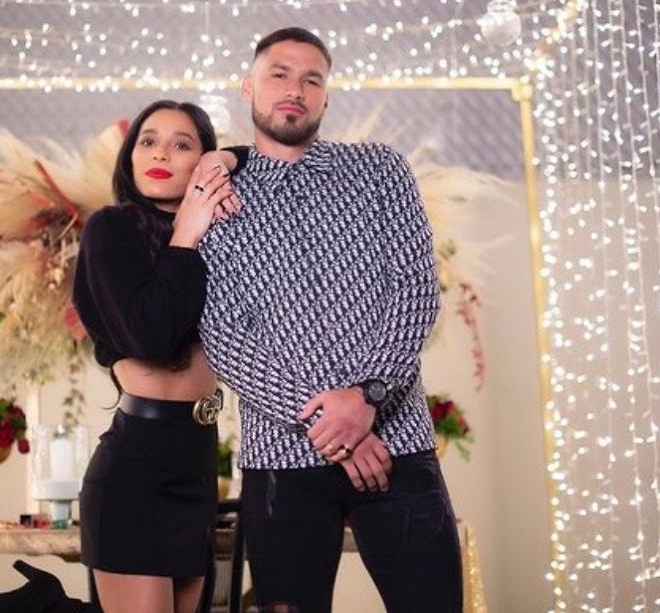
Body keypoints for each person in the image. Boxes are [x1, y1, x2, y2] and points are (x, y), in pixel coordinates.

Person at [197, 27, 463, 612]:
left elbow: (416, 291)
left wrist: (367, 398)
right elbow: (223, 334)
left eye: (311, 79)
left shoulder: (380, 170)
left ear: (326, 96)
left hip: (397, 444)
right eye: (279, 74)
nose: (295, 89)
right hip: (280, 459)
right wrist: (333, 426)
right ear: (248, 87)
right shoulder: (215, 193)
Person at [72, 99, 242, 613]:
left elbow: (273, 160)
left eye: (182, 144)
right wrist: (186, 230)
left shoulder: (223, 235)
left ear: (202, 163)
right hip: (136, 466)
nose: (160, 153)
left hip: (197, 458)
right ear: (130, 157)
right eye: (148, 141)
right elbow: (150, 337)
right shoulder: (110, 230)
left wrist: (228, 159)